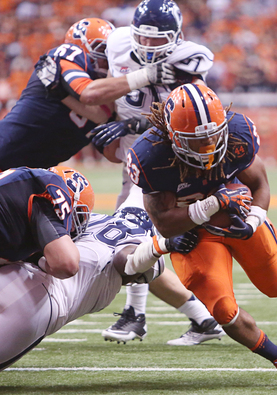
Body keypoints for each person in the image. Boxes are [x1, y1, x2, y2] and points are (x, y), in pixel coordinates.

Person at [126, 83, 277, 387]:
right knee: (223, 310)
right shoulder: (151, 156)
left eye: (214, 135)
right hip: (194, 236)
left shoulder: (238, 133)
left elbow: (259, 183)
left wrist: (253, 220)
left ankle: (268, 235)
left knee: (276, 288)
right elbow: (165, 224)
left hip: (236, 219)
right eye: (197, 140)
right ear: (173, 137)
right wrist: (213, 204)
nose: (210, 144)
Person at [91, 0, 224, 346]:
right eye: (143, 39)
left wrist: (132, 123)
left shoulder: (193, 57)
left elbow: (189, 104)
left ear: (177, 36)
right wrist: (112, 124)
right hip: (134, 155)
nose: (149, 47)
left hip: (167, 155)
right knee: (135, 237)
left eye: (158, 39)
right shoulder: (118, 43)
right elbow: (106, 90)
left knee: (131, 233)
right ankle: (198, 320)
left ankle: (142, 316)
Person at [0, 204, 197, 371]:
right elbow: (127, 263)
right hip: (41, 304)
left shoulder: (92, 219)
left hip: (14, 272)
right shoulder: (141, 238)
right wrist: (162, 246)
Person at [0, 17, 174, 170]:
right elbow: (88, 94)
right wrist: (145, 75)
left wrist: (63, 96)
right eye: (104, 49)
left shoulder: (110, 90)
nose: (110, 57)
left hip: (34, 170)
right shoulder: (67, 55)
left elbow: (107, 130)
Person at [0, 165, 94, 279]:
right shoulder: (51, 187)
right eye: (77, 218)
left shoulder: (20, 192)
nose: (73, 228)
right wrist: (40, 261)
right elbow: (67, 264)